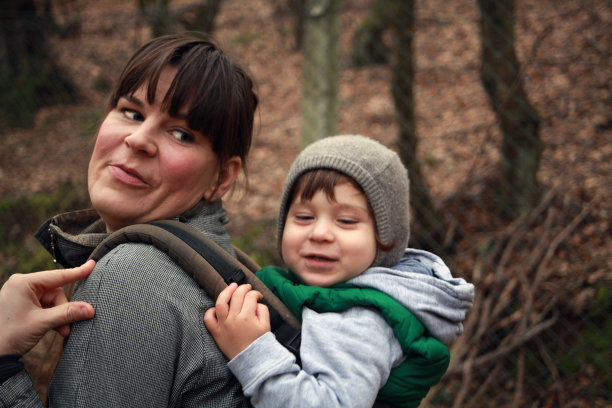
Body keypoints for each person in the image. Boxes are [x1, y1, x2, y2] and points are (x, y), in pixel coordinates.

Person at [0, 32, 257, 407]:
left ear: (221, 178)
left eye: (181, 134)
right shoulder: (218, 262)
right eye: (132, 112)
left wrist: (3, 367)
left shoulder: (132, 278)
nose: (138, 139)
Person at [204, 135, 475, 407]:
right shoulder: (334, 296)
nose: (320, 233)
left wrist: (251, 351)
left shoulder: (358, 321)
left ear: (386, 240)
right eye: (304, 217)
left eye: (346, 221)